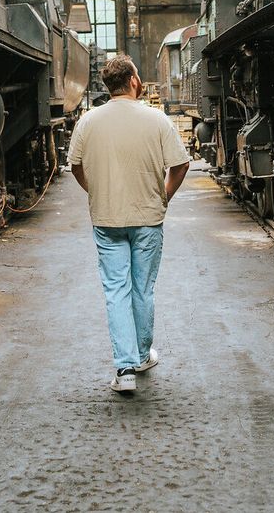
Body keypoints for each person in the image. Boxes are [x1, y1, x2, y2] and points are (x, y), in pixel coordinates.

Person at [68, 53, 190, 394]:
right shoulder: (157, 120)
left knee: (116, 291)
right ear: (134, 81)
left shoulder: (88, 122)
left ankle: (124, 371)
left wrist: (96, 190)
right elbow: (180, 165)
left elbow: (75, 165)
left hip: (106, 218)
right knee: (142, 289)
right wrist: (164, 195)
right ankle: (140, 356)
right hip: (148, 218)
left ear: (108, 86)